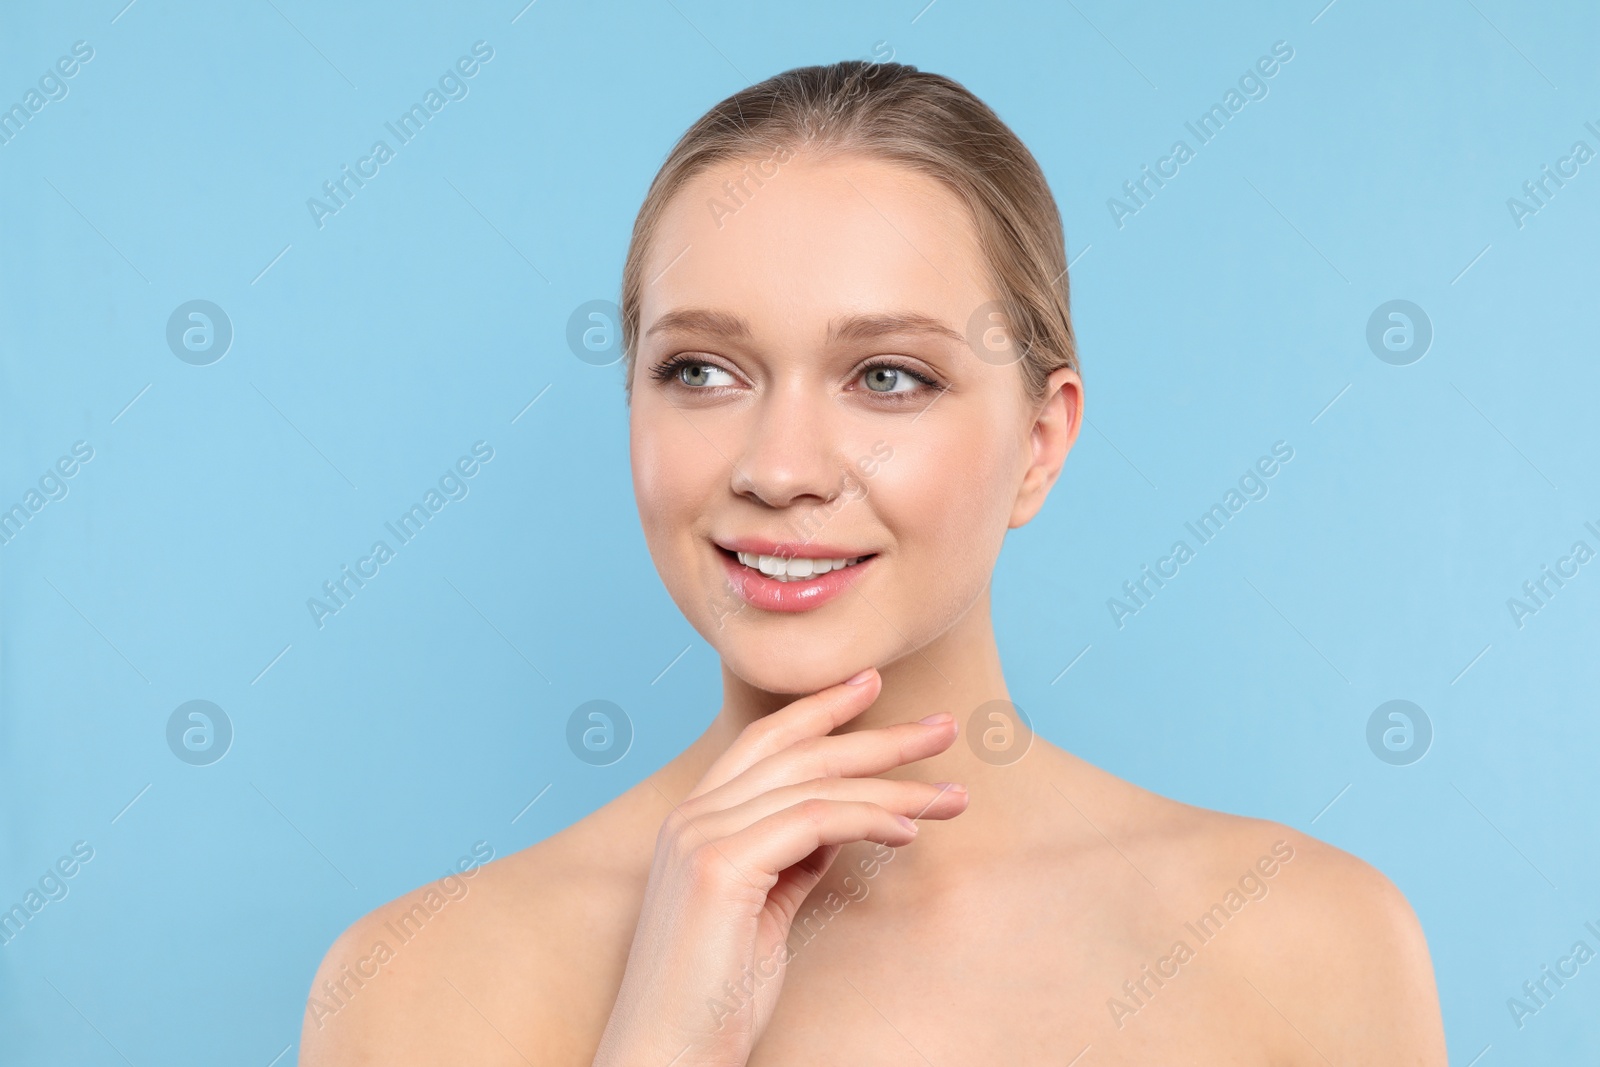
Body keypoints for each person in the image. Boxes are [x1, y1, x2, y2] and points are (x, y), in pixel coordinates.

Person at [301, 60, 1448, 1065]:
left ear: (1039, 444)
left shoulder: (1301, 941)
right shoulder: (418, 979)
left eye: (888, 376)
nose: (779, 467)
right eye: (701, 369)